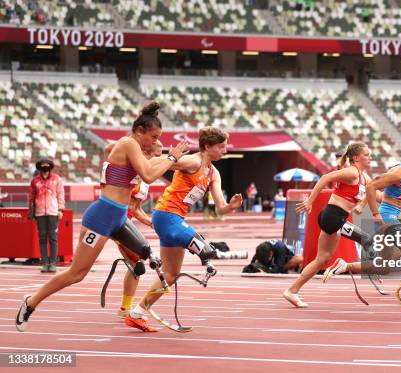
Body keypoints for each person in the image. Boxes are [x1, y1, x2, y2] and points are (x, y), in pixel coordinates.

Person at [16, 101, 189, 332]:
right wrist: (173, 157)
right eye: (153, 136)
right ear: (139, 132)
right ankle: (31, 301)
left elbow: (135, 160)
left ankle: (133, 311)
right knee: (76, 273)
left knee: (143, 260)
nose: (156, 142)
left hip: (118, 218)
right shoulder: (128, 143)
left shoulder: (132, 147)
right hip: (102, 216)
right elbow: (148, 175)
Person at [125, 127, 243, 332]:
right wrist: (168, 158)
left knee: (171, 274)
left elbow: (221, 206)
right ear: (207, 146)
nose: (224, 150)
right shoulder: (193, 162)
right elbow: (152, 163)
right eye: (221, 146)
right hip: (166, 215)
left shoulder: (214, 173)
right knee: (205, 248)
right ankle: (209, 255)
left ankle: (137, 313)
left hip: (176, 219)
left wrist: (231, 206)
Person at [321, 142, 401, 280]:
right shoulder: (398, 173)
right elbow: (371, 186)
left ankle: (345, 266)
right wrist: (376, 214)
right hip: (386, 216)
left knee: (384, 267)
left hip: (395, 216)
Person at [282, 142, 374, 308]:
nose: (370, 157)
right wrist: (310, 201)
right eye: (367, 154)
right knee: (367, 239)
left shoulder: (364, 177)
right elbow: (325, 178)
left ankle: (292, 290)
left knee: (321, 259)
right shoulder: (352, 172)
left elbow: (376, 193)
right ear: (356, 158)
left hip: (334, 219)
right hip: (333, 217)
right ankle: (348, 266)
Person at [104, 139, 164, 318]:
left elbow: (135, 209)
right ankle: (124, 309)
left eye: (160, 156)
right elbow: (107, 149)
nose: (157, 159)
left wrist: (153, 223)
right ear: (145, 152)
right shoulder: (130, 166)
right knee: (137, 264)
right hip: (113, 220)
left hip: (125, 224)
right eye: (155, 155)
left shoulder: (146, 178)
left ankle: (125, 308)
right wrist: (132, 141)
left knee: (136, 265)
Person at [28, 158, 65, 273]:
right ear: (39, 167)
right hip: (39, 213)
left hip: (53, 212)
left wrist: (60, 209)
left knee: (53, 239)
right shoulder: (35, 181)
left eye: (47, 165)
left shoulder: (56, 179)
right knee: (42, 239)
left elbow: (60, 194)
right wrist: (31, 211)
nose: (45, 167)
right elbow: (31, 197)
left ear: (50, 167)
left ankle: (53, 263)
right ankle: (44, 263)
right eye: (42, 165)